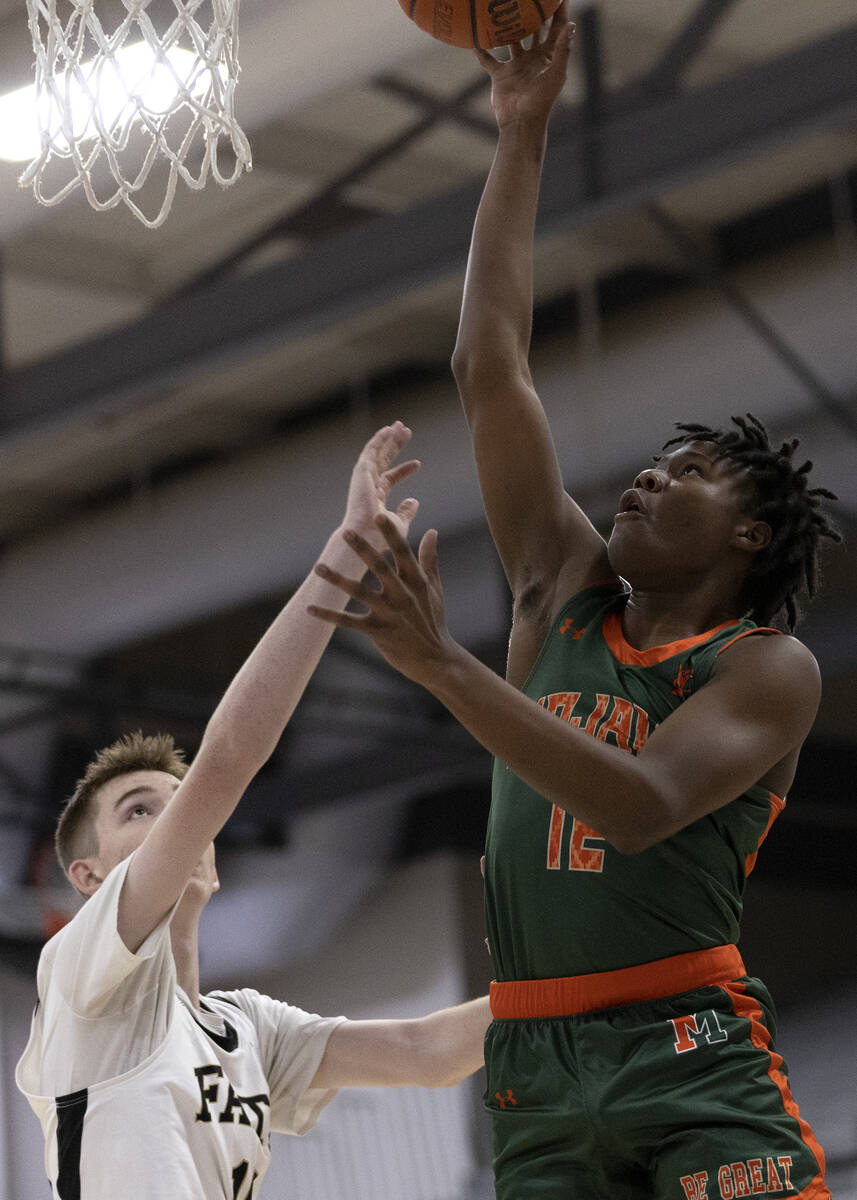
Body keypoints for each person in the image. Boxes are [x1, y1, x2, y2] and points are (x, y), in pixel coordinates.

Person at [307, 7, 842, 1198]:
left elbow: (645, 803)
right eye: (655, 458)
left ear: (747, 534)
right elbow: (485, 365)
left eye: (689, 471)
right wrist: (519, 134)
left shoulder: (763, 667)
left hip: (684, 1048)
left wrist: (447, 666)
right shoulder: (559, 585)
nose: (649, 473)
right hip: (532, 1063)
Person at [15, 422, 491, 1200]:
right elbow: (230, 754)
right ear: (89, 877)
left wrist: (596, 974)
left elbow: (427, 1050)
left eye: (179, 809)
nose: (181, 826)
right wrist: (343, 557)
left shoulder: (247, 1027)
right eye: (142, 811)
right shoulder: (86, 977)